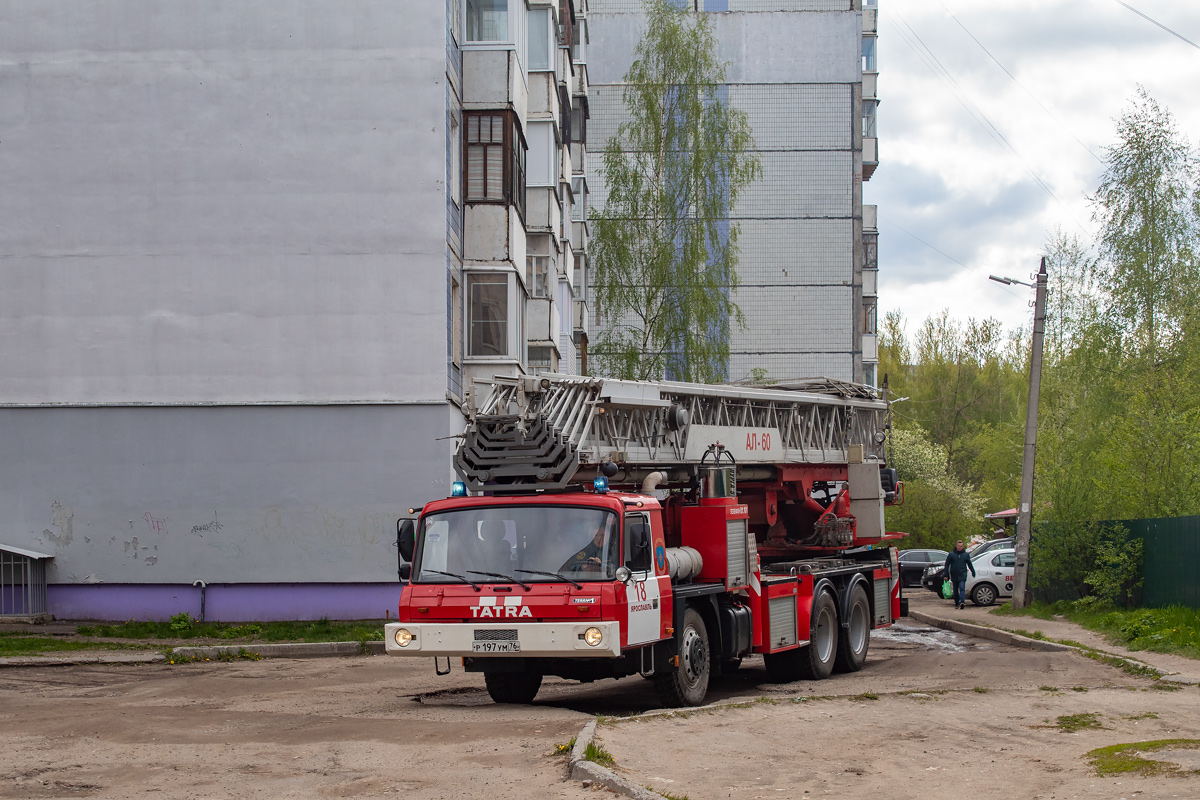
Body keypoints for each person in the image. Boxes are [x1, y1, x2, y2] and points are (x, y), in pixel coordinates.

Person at [940, 540, 976, 610]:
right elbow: (947, 564)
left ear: (963, 547)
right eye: (959, 546)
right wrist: (946, 575)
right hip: (954, 574)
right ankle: (957, 603)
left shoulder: (965, 555)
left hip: (962, 574)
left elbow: (969, 564)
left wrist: (973, 571)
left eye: (961, 546)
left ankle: (962, 602)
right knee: (955, 590)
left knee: (962, 588)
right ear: (956, 546)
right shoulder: (951, 554)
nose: (960, 547)